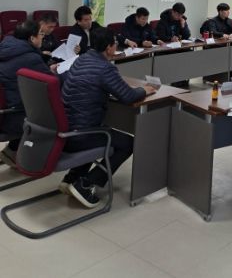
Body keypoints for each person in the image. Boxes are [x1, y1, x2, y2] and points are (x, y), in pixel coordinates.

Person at [60, 27, 156, 208]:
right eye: (115, 43)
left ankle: (71, 178)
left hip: (65, 128)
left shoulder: (82, 59)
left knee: (102, 132)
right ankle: (85, 184)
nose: (117, 45)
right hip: (80, 134)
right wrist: (144, 90)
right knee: (127, 143)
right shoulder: (105, 68)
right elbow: (128, 96)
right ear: (109, 48)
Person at [0, 20, 52, 166]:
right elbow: (53, 82)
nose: (43, 38)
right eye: (41, 34)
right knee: (52, 116)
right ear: (32, 38)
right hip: (12, 116)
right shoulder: (30, 58)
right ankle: (37, 159)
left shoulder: (6, 47)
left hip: (5, 111)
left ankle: (12, 150)